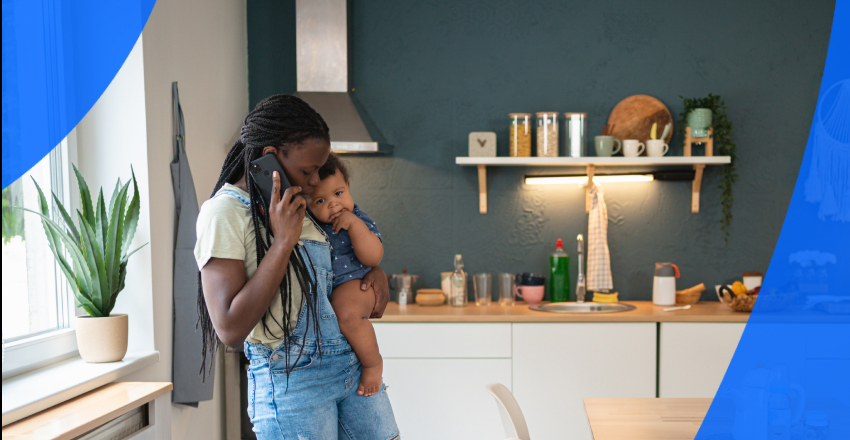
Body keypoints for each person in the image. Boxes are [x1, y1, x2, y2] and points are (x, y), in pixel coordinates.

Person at [194, 95, 399, 439]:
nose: (315, 180)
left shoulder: (299, 202)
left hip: (348, 368)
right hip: (292, 383)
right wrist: (282, 242)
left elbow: (337, 264)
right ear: (269, 156)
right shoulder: (225, 213)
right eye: (308, 171)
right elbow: (228, 327)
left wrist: (372, 272)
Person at [306, 154, 384, 397]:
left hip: (354, 282)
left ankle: (373, 364)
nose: (333, 204)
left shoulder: (359, 219)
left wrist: (355, 227)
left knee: (348, 315)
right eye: (320, 200)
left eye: (338, 193)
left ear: (348, 187)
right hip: (327, 288)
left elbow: (373, 258)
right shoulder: (311, 224)